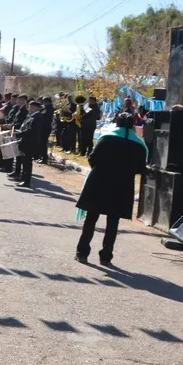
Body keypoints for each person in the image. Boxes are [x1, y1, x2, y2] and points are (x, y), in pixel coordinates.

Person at [75, 113, 147, 265]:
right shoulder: (139, 145)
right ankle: (106, 256)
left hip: (99, 183)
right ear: (133, 125)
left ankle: (82, 253)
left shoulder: (106, 138)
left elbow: (92, 159)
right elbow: (141, 168)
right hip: (122, 187)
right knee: (113, 223)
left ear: (116, 124)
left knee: (91, 220)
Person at [11, 100, 44, 188]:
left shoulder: (38, 117)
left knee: (27, 163)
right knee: (24, 162)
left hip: (30, 143)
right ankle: (23, 178)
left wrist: (18, 134)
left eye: (30, 107)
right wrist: (19, 131)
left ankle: (26, 181)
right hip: (25, 141)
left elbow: (31, 131)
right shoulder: (31, 116)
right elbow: (25, 127)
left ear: (35, 108)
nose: (29, 108)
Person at [39, 96, 55, 164]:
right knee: (41, 143)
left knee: (43, 143)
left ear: (48, 102)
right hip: (43, 127)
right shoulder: (45, 108)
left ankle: (44, 158)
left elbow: (43, 115)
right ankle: (42, 156)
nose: (44, 103)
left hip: (46, 127)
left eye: (45, 102)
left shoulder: (50, 109)